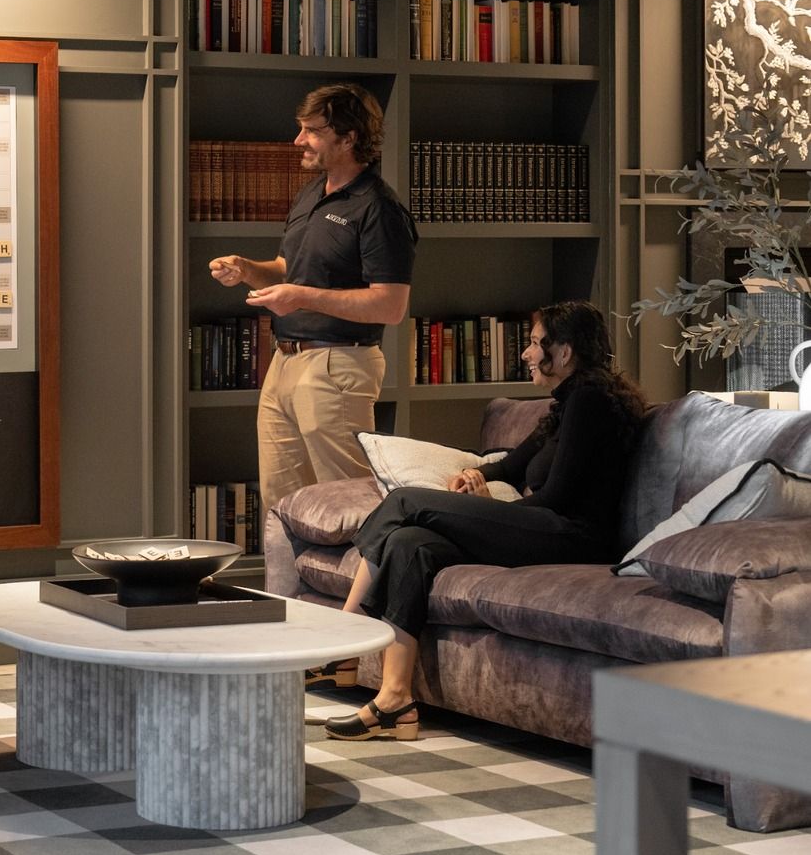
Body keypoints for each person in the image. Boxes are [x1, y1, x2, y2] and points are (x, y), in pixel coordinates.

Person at [318, 300, 649, 741]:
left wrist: (488, 516)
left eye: (535, 344)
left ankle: (343, 641)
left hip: (572, 537)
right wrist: (480, 474)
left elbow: (558, 498)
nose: (527, 354)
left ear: (565, 352)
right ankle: (394, 702)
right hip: (546, 528)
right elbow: (513, 466)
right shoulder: (566, 403)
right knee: (409, 543)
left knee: (403, 502)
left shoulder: (592, 402)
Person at [208, 83, 417, 510]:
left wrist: (302, 297)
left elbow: (390, 305)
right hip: (284, 364)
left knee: (348, 507)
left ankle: (357, 580)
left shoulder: (378, 208)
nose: (298, 140)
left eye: (311, 131)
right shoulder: (310, 194)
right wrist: (247, 269)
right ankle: (288, 581)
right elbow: (291, 267)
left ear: (348, 137)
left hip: (338, 365)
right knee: (282, 508)